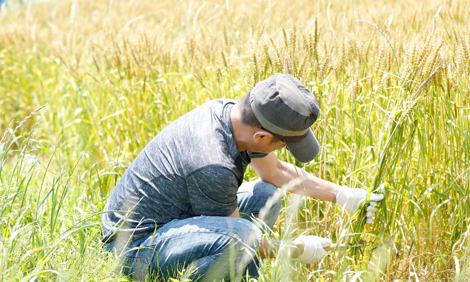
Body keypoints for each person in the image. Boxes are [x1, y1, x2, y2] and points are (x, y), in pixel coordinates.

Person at [101, 73, 384, 281]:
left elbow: (276, 173)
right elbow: (242, 238)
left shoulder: (235, 117)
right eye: (284, 144)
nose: (284, 150)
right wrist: (297, 250)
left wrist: (343, 195)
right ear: (261, 137)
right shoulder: (213, 164)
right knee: (241, 237)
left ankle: (241, 276)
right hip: (133, 247)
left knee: (265, 194)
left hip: (176, 222)